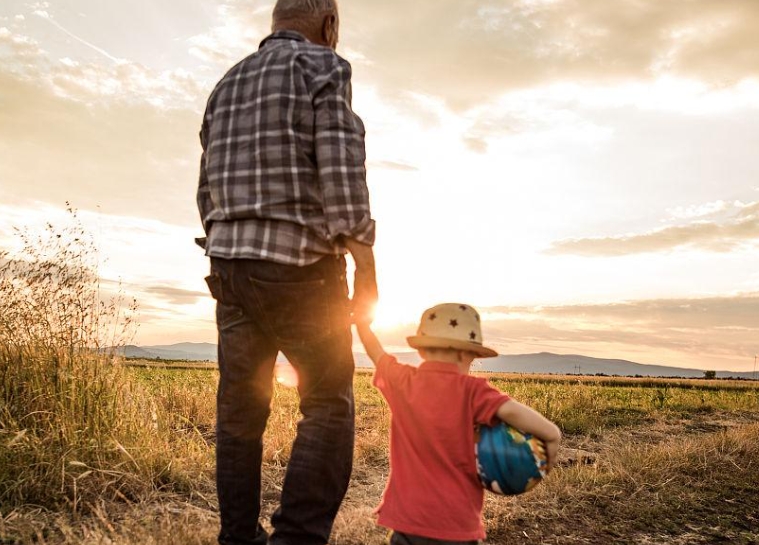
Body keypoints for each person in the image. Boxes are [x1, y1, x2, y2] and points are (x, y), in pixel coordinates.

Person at [196, 0, 377, 543]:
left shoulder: (225, 84)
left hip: (229, 268)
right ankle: (296, 538)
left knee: (239, 413)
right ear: (330, 26)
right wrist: (366, 272)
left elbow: (206, 187)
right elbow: (343, 181)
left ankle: (237, 538)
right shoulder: (324, 68)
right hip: (300, 270)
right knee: (326, 402)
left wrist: (227, 245)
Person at [355, 303, 561, 545]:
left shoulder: (403, 382)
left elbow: (375, 352)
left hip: (407, 522)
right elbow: (533, 423)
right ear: (465, 354)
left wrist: (362, 324)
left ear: (422, 350)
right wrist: (552, 440)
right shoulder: (474, 392)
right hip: (457, 525)